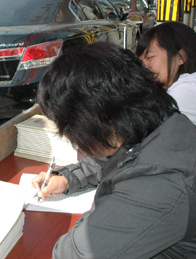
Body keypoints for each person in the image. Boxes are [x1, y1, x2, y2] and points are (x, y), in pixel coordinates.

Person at [31, 42, 196, 258]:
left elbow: (75, 253)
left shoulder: (160, 182)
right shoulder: (159, 123)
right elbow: (119, 155)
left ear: (92, 122)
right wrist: (67, 178)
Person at [136, 21, 196, 124]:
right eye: (141, 61)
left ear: (181, 57)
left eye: (150, 58)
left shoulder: (184, 91)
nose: (144, 66)